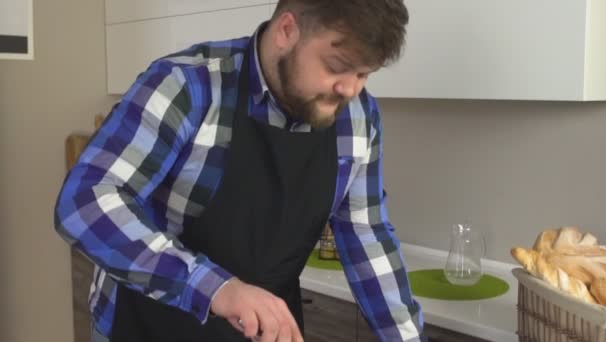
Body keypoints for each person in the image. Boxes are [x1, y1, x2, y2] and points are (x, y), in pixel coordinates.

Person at [54, 0, 424, 341]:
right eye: (338, 67)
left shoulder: (359, 116)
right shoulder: (186, 86)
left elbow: (365, 233)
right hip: (149, 324)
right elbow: (85, 201)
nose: (349, 89)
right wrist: (214, 287)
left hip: (265, 330)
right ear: (287, 31)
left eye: (365, 74)